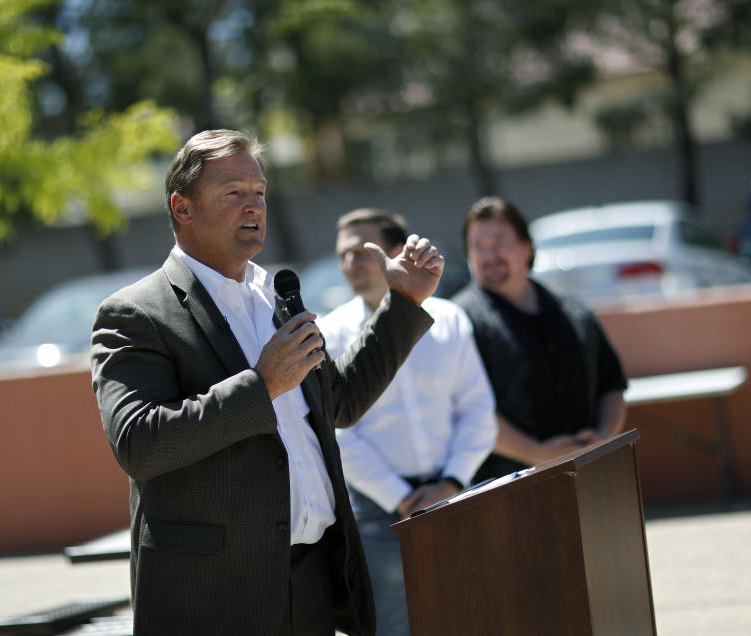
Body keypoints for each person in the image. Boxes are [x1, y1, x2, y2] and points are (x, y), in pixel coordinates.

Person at [90, 129, 445, 636]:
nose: (252, 205)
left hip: (313, 583)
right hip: (216, 597)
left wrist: (403, 305)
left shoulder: (276, 295)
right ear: (182, 208)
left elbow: (336, 402)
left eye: (259, 192)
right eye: (233, 192)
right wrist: (261, 385)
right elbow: (140, 443)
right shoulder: (136, 313)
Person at [318, 209, 497, 636]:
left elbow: (478, 413)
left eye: (362, 252)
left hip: (457, 497)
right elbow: (338, 433)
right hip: (378, 513)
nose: (350, 264)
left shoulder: (450, 318)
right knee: (393, 629)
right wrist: (403, 499)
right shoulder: (331, 330)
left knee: (470, 616)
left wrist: (451, 482)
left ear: (398, 252)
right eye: (343, 255)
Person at [452, 196, 628, 484]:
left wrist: (605, 438)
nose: (489, 255)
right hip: (504, 488)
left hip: (589, 477)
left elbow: (612, 385)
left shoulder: (574, 311)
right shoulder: (459, 321)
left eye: (499, 242)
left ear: (526, 247)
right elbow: (467, 411)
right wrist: (538, 454)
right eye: (478, 247)